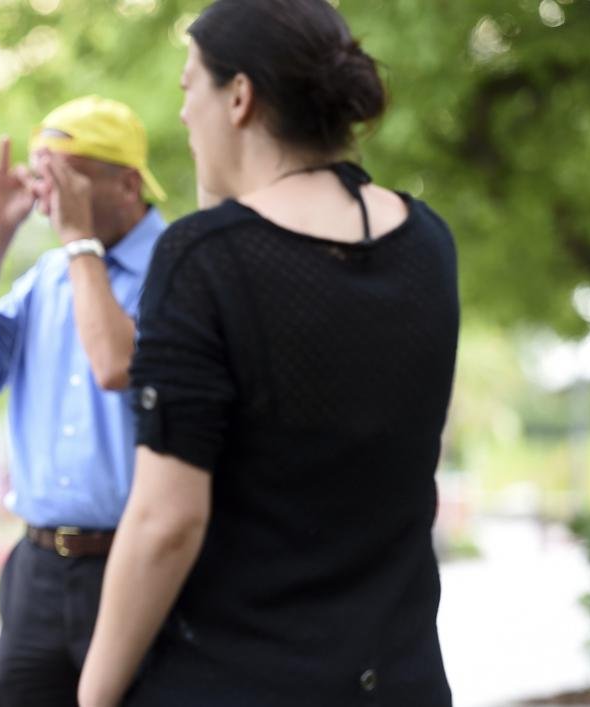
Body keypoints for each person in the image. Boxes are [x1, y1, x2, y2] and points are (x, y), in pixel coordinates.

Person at [79, 2, 459, 705]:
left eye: (190, 84)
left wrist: (94, 692)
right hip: (402, 678)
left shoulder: (203, 260)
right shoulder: (428, 242)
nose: (185, 113)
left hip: (239, 678)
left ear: (241, 96)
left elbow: (167, 521)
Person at [0, 95, 167, 706]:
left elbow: (117, 365)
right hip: (39, 567)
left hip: (138, 565)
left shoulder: (178, 265)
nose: (45, 193)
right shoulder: (46, 276)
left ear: (125, 182)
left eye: (62, 176)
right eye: (38, 173)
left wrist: (80, 244)